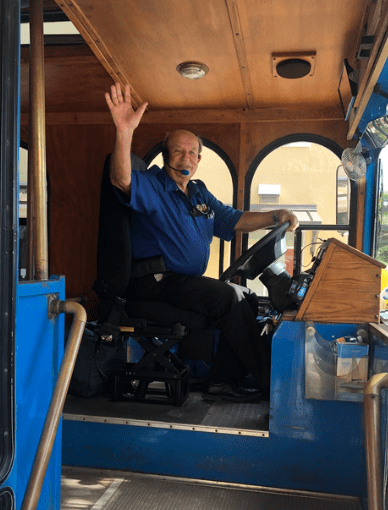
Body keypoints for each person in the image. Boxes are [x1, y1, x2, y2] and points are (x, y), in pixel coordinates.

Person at [105, 82, 299, 402]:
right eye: (179, 150)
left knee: (247, 297)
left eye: (193, 152)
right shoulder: (153, 185)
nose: (187, 156)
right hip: (154, 282)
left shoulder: (198, 193)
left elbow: (234, 220)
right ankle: (272, 387)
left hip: (183, 282)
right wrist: (124, 131)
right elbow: (121, 179)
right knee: (230, 299)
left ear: (198, 160)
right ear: (167, 155)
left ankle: (221, 381)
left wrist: (274, 216)